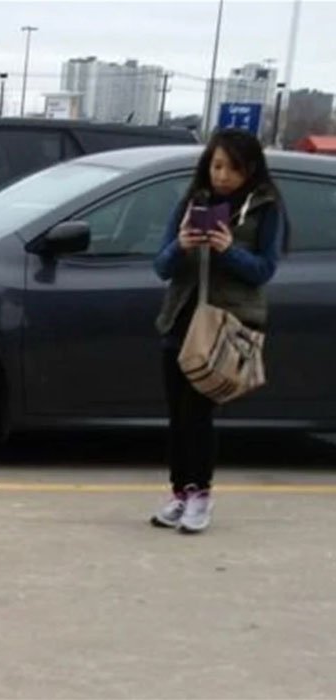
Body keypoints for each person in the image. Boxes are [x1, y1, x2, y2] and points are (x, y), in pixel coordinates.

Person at [151, 128, 285, 534]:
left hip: (224, 326)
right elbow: (161, 266)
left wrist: (229, 250)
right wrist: (183, 245)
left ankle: (200, 495)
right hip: (180, 320)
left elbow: (264, 269)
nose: (222, 175)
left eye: (233, 167)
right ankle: (178, 493)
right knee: (176, 414)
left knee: (199, 415)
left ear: (251, 169)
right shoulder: (194, 202)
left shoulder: (266, 208)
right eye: (216, 165)